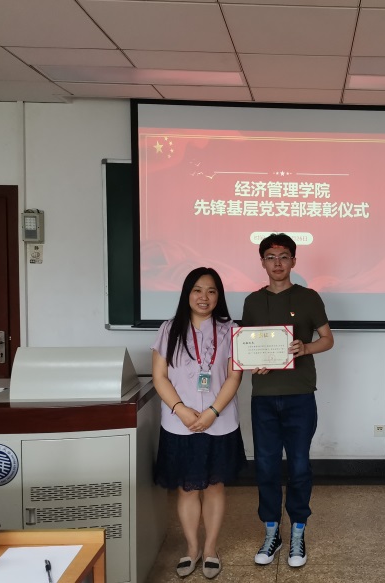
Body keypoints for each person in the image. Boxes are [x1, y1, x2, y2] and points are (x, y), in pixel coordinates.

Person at [241, 233, 334, 568]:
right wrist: (254, 361)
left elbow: (328, 339)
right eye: (270, 256)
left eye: (283, 256)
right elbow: (246, 345)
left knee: (298, 466)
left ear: (293, 261)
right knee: (265, 466)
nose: (277, 263)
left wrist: (305, 348)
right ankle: (271, 532)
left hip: (299, 395)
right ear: (262, 262)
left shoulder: (309, 298)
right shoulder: (252, 301)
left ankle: (297, 531)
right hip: (264, 397)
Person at [151, 267, 246, 579]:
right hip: (179, 423)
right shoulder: (169, 329)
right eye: (197, 290)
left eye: (211, 291)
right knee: (187, 489)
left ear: (219, 296)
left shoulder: (231, 330)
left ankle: (210, 549)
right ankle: (192, 548)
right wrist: (180, 409)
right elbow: (159, 376)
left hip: (220, 422)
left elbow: (234, 377)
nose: (204, 297)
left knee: (215, 488)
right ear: (187, 294)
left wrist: (212, 412)